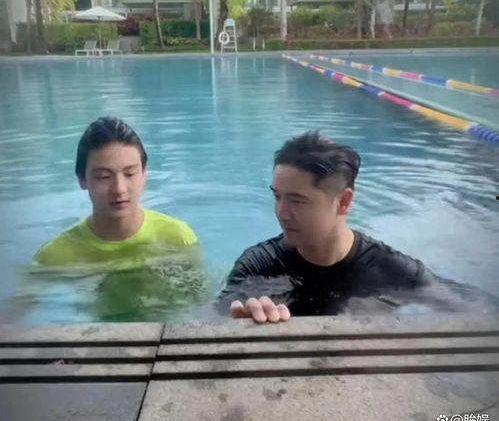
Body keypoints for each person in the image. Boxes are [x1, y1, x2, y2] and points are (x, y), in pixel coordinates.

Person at [220, 131, 451, 323]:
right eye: (277, 197)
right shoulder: (257, 267)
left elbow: (465, 309)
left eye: (297, 201)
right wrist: (240, 319)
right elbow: (214, 317)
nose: (281, 213)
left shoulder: (392, 270)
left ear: (343, 202)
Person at [33, 116, 198, 268]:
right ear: (82, 179)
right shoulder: (54, 257)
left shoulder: (178, 239)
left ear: (144, 174)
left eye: (130, 174)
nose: (119, 189)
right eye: (104, 177)